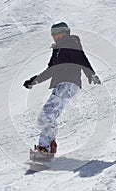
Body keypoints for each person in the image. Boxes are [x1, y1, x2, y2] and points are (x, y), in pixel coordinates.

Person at [23, 22, 101, 156]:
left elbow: (81, 58)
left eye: (55, 33)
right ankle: (47, 146)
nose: (53, 37)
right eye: (52, 34)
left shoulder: (70, 43)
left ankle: (45, 149)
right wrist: (34, 81)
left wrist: (90, 73)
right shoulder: (58, 50)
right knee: (47, 116)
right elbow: (50, 71)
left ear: (63, 33)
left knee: (46, 115)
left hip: (68, 82)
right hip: (62, 85)